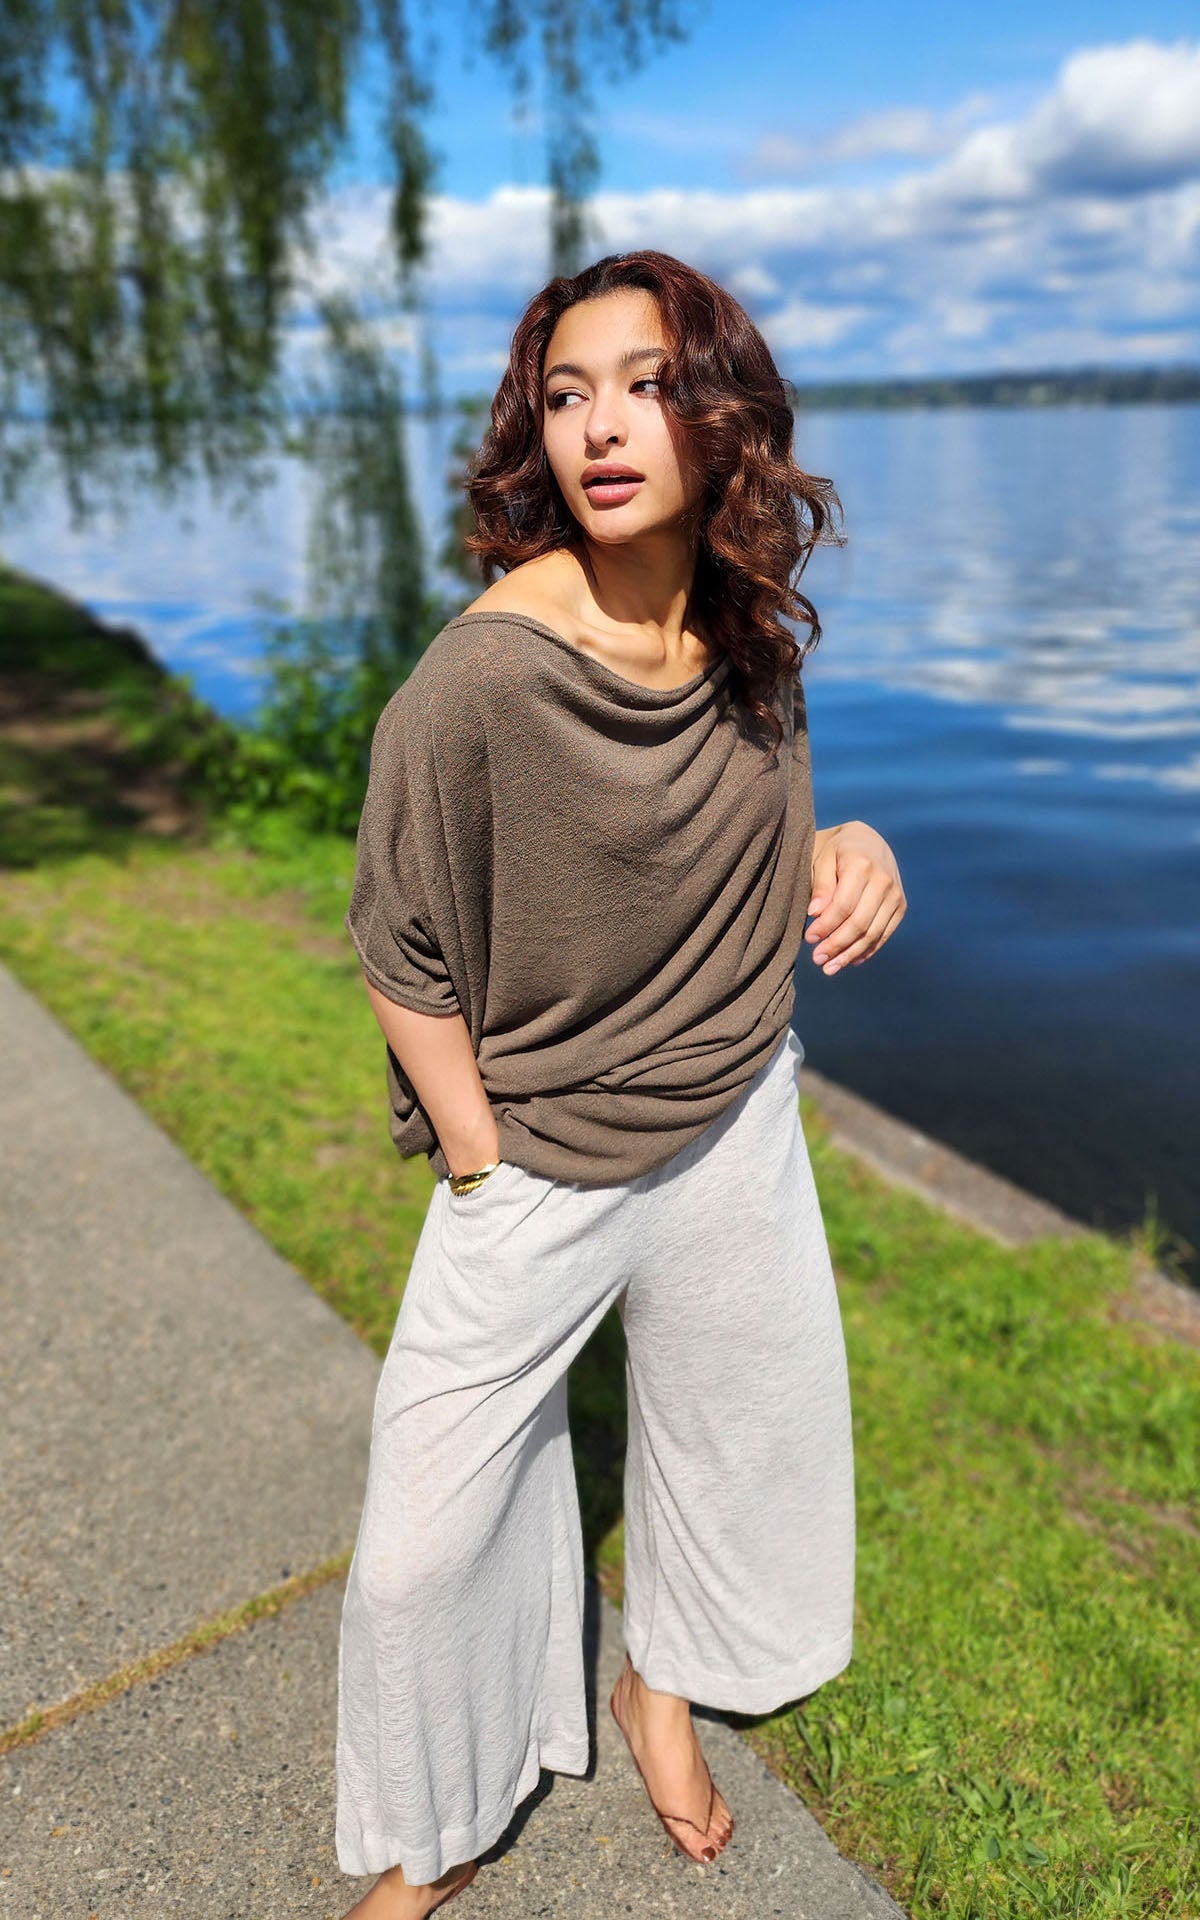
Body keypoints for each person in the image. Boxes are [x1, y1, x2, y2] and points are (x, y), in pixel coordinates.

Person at [334, 248, 907, 1919]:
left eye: (644, 385)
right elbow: (398, 946)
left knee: (750, 1443)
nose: (599, 427)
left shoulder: (748, 628)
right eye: (565, 393)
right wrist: (477, 1153)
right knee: (423, 1540)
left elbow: (756, 829)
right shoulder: (482, 679)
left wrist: (852, 840)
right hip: (541, 1156)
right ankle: (422, 1842)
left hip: (735, 1110)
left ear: (719, 416)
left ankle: (660, 1684)